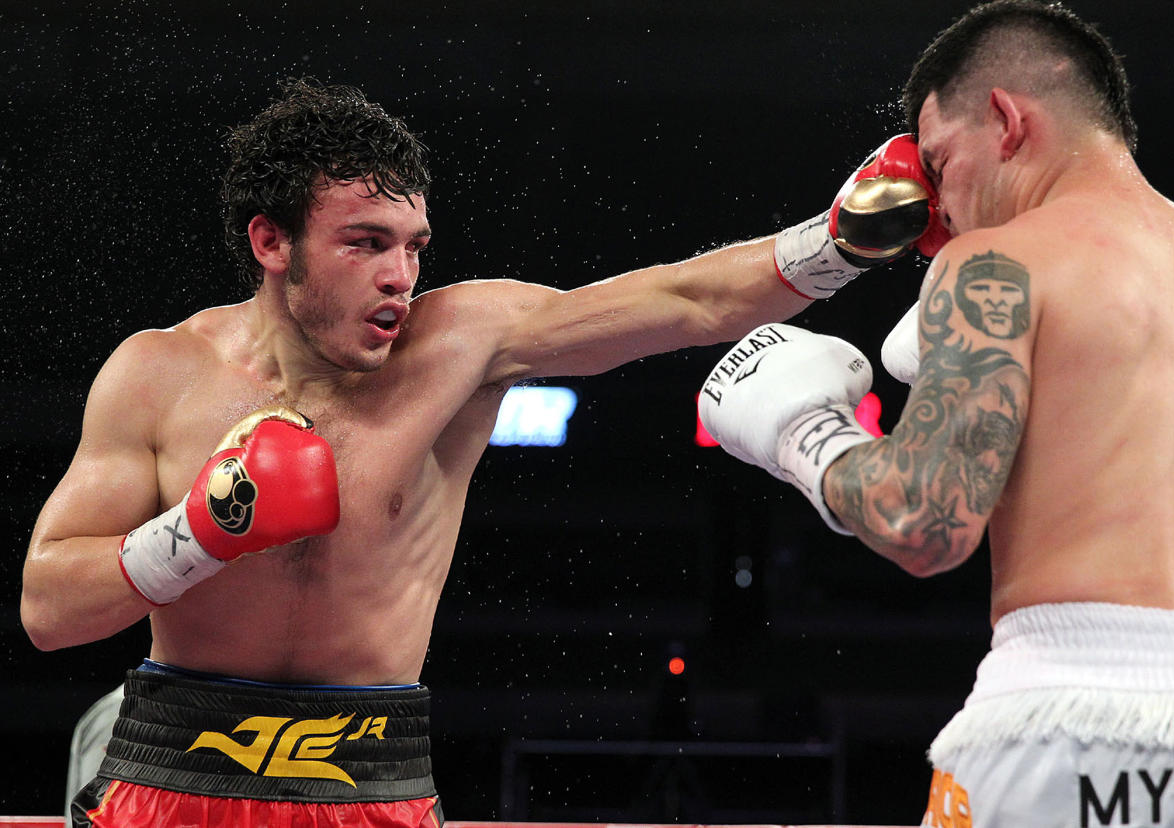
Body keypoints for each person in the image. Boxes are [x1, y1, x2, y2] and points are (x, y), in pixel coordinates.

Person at [20, 77, 943, 826]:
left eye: (414, 246)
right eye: (365, 244)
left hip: (366, 784)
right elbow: (47, 607)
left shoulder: (460, 343)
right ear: (272, 242)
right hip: (169, 780)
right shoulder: (158, 373)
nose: (401, 275)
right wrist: (200, 534)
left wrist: (836, 244)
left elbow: (682, 301)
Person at [697, 2, 1174, 826]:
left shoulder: (997, 267)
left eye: (942, 162)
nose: (938, 212)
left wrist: (804, 432)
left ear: (1007, 119)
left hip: (1062, 717)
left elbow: (925, 521)